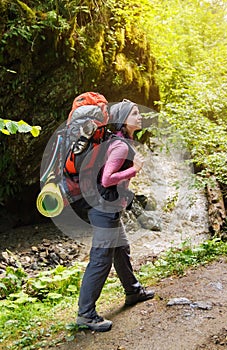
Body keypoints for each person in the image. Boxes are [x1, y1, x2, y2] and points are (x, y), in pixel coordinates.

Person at [76, 99, 155, 332]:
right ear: (123, 119)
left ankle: (133, 291)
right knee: (101, 259)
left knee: (121, 248)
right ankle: (86, 314)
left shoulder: (118, 141)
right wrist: (135, 169)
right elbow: (107, 179)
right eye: (134, 113)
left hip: (106, 206)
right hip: (103, 209)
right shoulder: (120, 146)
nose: (139, 117)